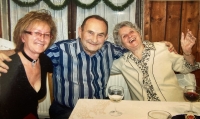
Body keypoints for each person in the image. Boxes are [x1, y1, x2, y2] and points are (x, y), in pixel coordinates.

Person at [0, 15, 175, 118]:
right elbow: (32, 51)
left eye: (100, 35)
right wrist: (4, 53)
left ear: (106, 37)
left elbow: (134, 46)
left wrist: (160, 44)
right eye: (90, 32)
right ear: (80, 31)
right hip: (66, 111)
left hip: (100, 109)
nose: (94, 39)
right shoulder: (60, 50)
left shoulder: (111, 50)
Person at [111, 21, 200, 102]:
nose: (129, 36)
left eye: (131, 32)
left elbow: (189, 67)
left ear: (139, 34)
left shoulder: (162, 48)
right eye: (124, 36)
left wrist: (187, 52)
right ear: (122, 44)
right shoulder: (121, 63)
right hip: (145, 112)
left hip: (175, 106)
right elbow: (99, 67)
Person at [0, 9, 57, 119]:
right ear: (22, 37)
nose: (42, 38)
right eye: (36, 33)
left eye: (46, 34)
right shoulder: (6, 66)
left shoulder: (45, 61)